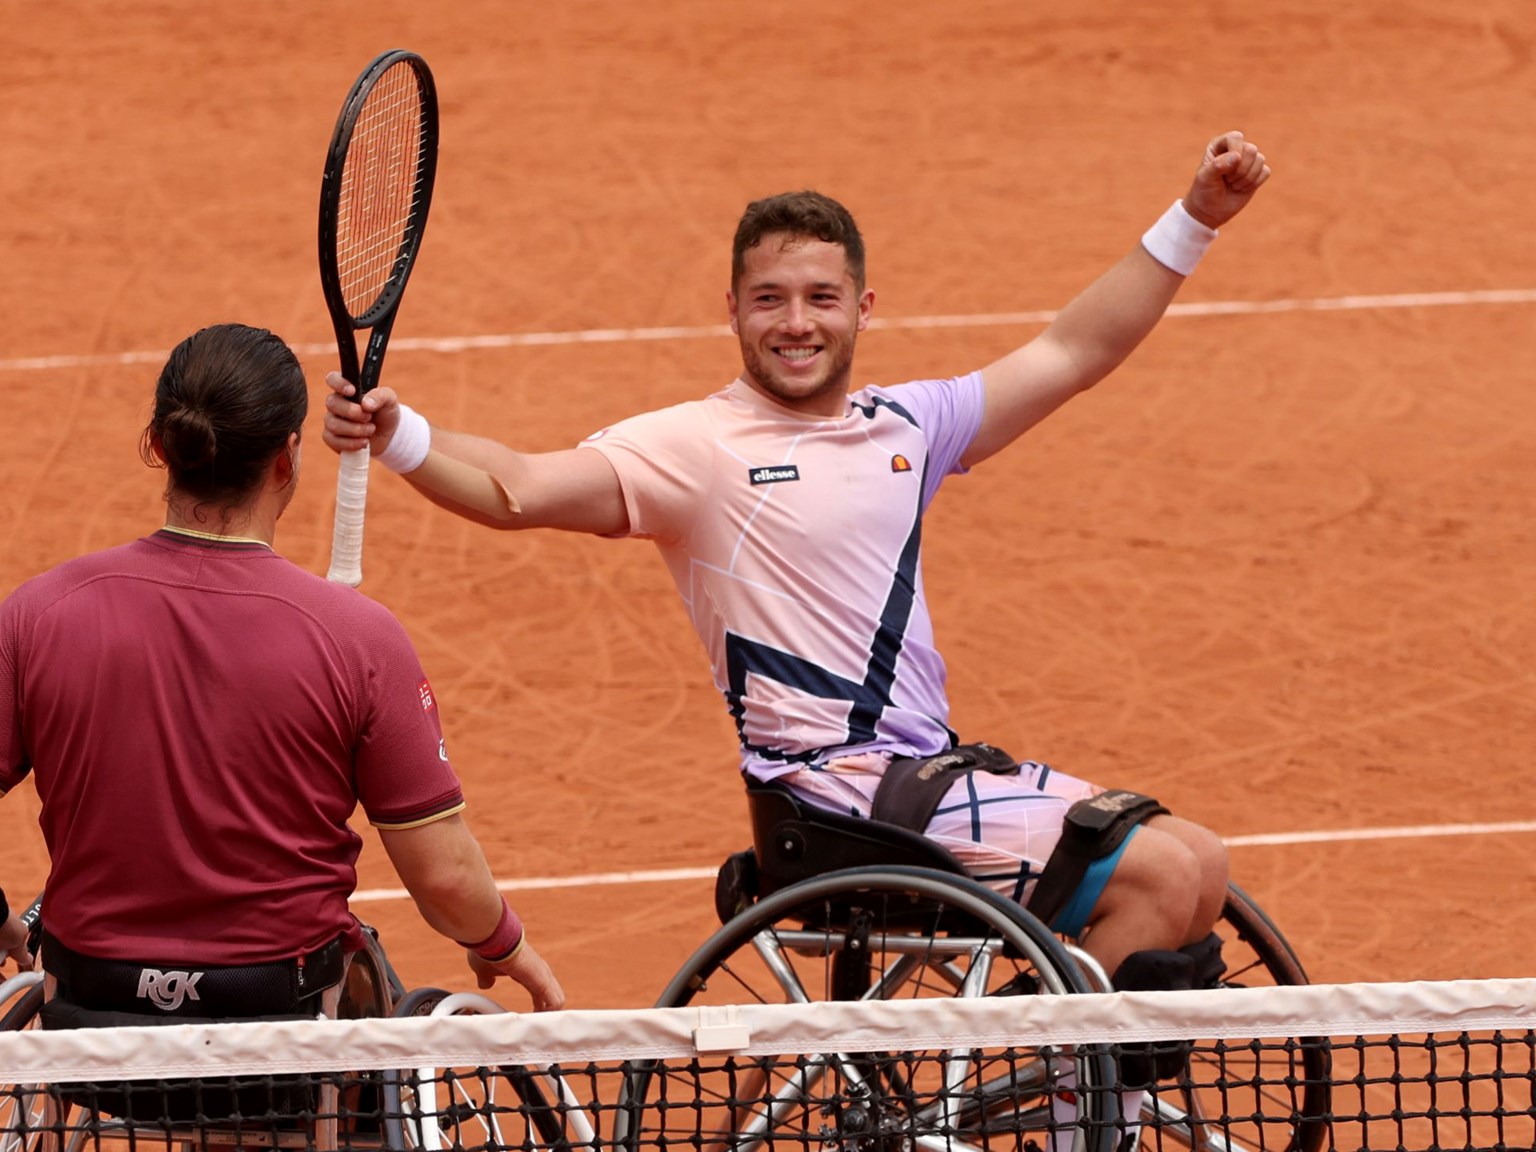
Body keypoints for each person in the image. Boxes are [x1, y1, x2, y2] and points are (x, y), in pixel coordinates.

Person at [323, 134, 1274, 994]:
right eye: (770, 300)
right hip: (829, 796)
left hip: (925, 776)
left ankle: (1036, 1057)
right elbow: (520, 489)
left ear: (862, 307)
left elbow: (1072, 349)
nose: (796, 323)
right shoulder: (696, 448)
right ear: (732, 309)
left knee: (1202, 860)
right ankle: (1056, 1089)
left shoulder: (911, 426)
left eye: (821, 298)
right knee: (1162, 873)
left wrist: (1195, 219)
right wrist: (405, 437)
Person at [0, 323, 565, 1035]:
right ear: (287, 458)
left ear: (160, 446)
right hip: (279, 1025)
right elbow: (445, 879)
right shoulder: (359, 637)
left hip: (92, 1031)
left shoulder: (39, 613)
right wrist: (503, 943)